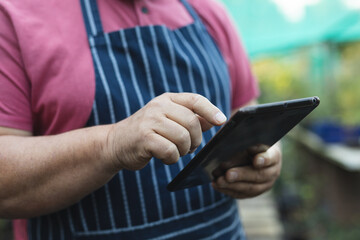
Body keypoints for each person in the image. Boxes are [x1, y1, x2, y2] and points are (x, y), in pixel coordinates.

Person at [0, 0, 282, 239]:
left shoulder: (208, 9)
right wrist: (111, 144)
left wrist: (261, 158)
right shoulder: (17, 14)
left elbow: (244, 111)